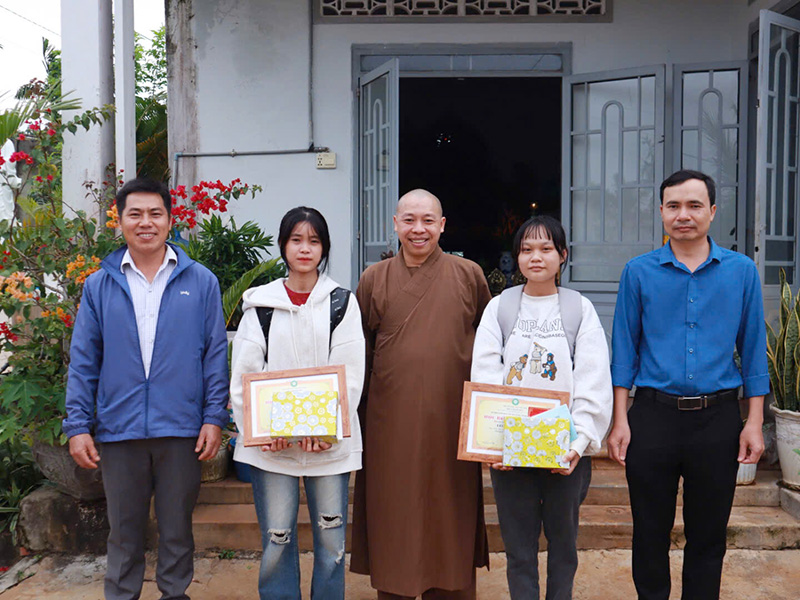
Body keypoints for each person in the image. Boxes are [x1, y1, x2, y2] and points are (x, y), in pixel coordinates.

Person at [63, 178, 230, 600]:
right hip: (119, 430)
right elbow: (84, 360)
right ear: (119, 222)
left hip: (181, 429)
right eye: (134, 214)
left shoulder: (202, 282)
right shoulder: (100, 285)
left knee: (176, 530)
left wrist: (214, 417)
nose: (145, 223)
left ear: (170, 220)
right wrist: (78, 425)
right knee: (124, 532)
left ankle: (176, 594)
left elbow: (214, 356)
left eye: (155, 213)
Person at [607, 169, 768, 600]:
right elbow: (624, 350)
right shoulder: (638, 273)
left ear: (712, 212)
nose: (684, 215)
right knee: (649, 535)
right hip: (652, 418)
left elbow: (753, 350)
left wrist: (753, 422)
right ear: (661, 212)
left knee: (709, 538)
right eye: (674, 206)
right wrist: (620, 420)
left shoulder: (741, 272)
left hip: (717, 421)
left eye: (694, 205)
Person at [350, 188, 492, 600]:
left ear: (442, 225)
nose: (418, 229)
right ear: (394, 224)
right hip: (389, 423)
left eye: (428, 220)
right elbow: (361, 352)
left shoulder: (469, 275)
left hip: (451, 421)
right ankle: (395, 588)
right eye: (409, 219)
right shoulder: (373, 279)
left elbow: (489, 346)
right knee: (395, 510)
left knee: (450, 510)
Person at [471, 215, 612, 600]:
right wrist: (492, 444)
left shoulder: (578, 309)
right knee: (519, 549)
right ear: (516, 257)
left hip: (563, 452)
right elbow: (486, 375)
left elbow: (592, 378)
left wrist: (579, 442)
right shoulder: (499, 308)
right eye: (527, 249)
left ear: (562, 255)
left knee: (563, 547)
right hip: (510, 455)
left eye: (546, 248)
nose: (536, 257)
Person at [230, 207, 365, 600]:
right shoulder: (262, 304)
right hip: (273, 451)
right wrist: (258, 433)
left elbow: (351, 373)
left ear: (324, 248)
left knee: (332, 543)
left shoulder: (341, 303)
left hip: (329, 448)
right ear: (283, 245)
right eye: (296, 240)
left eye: (314, 240)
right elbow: (244, 376)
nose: (305, 249)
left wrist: (329, 431)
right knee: (277, 539)